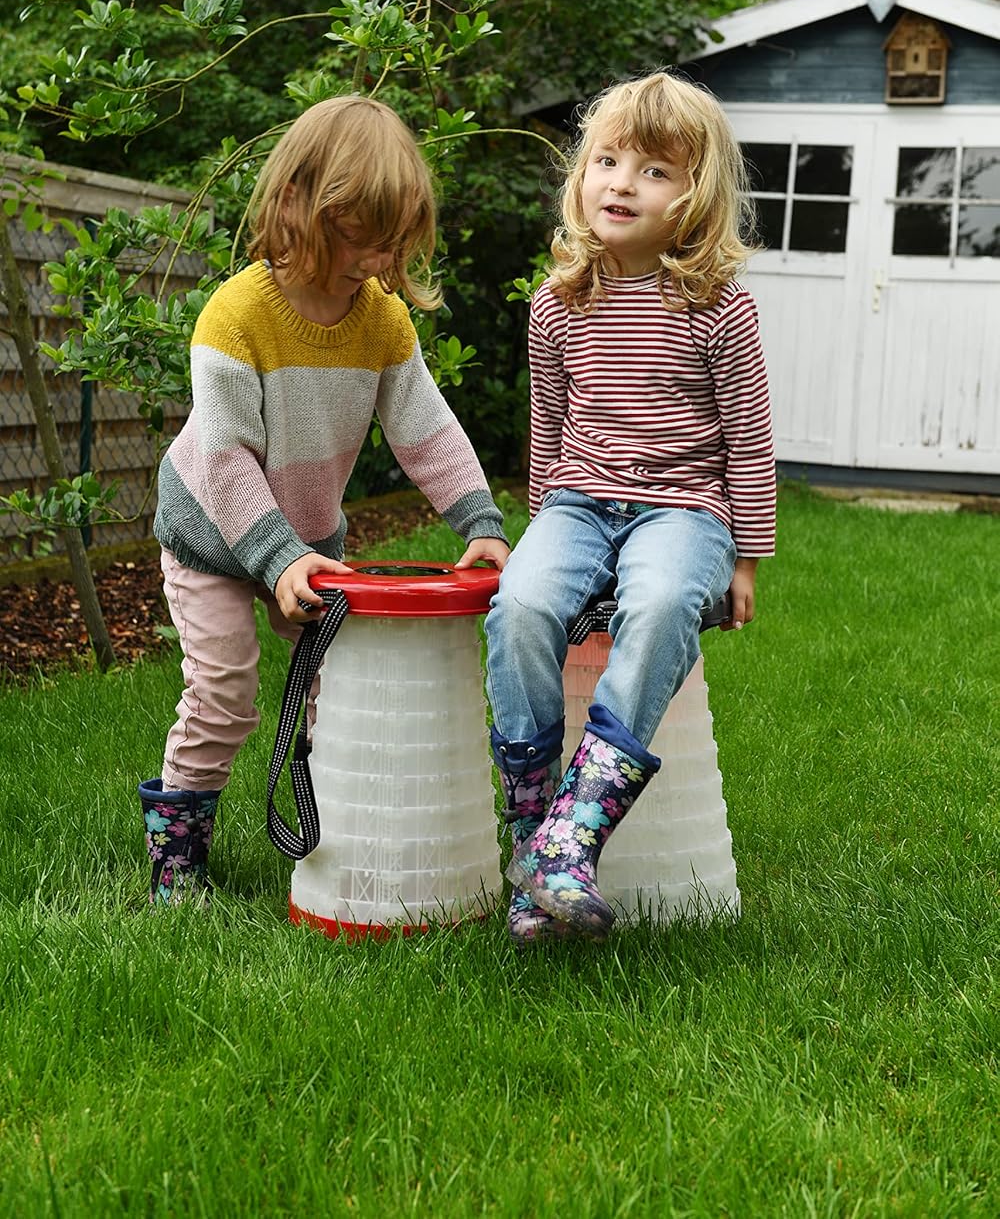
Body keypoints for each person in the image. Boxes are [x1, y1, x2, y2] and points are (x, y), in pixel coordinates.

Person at [140, 95, 508, 904]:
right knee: (226, 690)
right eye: (362, 235)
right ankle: (178, 855)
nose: (379, 258)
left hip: (308, 543)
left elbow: (428, 431)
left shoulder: (382, 323)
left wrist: (479, 521)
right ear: (301, 206)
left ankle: (341, 849)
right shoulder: (233, 319)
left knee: (333, 698)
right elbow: (226, 457)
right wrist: (275, 559)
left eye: (392, 240)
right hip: (213, 536)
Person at [485, 70, 775, 944]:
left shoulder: (718, 308)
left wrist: (746, 560)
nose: (621, 181)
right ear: (581, 178)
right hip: (577, 502)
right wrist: (540, 530)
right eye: (607, 160)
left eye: (653, 170)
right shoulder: (556, 305)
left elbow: (749, 437)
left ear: (697, 196)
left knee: (656, 606)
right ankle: (534, 833)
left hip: (686, 509)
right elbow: (547, 429)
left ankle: (574, 836)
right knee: (521, 605)